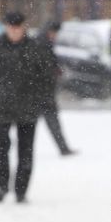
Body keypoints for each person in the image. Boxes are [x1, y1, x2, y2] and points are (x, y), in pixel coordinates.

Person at [0, 11, 46, 203]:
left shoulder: (33, 48)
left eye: (17, 27)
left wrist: (41, 100)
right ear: (5, 27)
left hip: (28, 108)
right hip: (1, 108)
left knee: (26, 151)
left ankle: (21, 190)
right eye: (10, 27)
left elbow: (44, 77)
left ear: (23, 27)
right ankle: (2, 185)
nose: (14, 31)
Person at [37, 20, 76, 156]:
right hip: (42, 90)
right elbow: (43, 67)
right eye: (55, 33)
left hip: (42, 90)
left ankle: (63, 147)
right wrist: (54, 72)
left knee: (33, 122)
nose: (55, 36)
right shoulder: (42, 44)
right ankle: (63, 148)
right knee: (50, 120)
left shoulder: (44, 42)